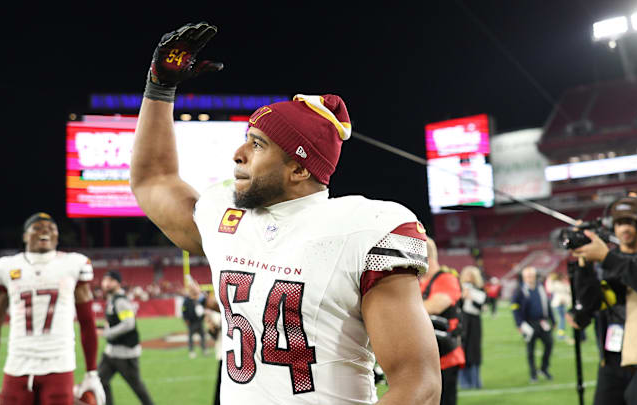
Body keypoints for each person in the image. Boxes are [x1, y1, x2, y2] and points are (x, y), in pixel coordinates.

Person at [129, 22, 441, 404]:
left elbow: (419, 387)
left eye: (257, 145)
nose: (238, 154)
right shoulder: (225, 217)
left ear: (298, 168)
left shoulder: (363, 229)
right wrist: (159, 88)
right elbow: (152, 179)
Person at [0, 212, 106, 405]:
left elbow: (87, 322)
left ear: (57, 236)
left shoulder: (73, 264)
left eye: (50, 228)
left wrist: (92, 372)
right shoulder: (5, 267)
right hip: (18, 364)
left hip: (59, 363)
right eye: (37, 227)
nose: (44, 231)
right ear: (24, 236)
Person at [570, 196, 637, 405]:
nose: (625, 229)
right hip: (613, 358)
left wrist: (606, 258)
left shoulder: (609, 259)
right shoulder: (603, 260)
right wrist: (584, 263)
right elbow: (591, 303)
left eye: (630, 222)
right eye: (620, 222)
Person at [97, 270, 154, 405]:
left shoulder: (121, 301)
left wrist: (106, 333)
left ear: (118, 283)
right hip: (111, 353)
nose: (106, 283)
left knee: (138, 388)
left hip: (125, 354)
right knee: (100, 382)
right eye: (105, 280)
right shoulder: (112, 299)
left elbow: (129, 324)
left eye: (110, 280)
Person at [421, 237, 466, 405]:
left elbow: (435, 306)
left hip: (446, 358)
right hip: (426, 359)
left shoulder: (446, 278)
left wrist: (404, 311)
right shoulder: (420, 283)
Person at [511, 266, 554, 383]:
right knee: (530, 350)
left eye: (532, 275)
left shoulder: (540, 287)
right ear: (524, 277)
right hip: (528, 324)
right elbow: (515, 308)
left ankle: (544, 369)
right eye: (528, 275)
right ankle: (533, 374)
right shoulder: (520, 290)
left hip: (542, 322)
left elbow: (547, 304)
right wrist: (519, 324)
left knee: (549, 344)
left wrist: (553, 320)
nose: (530, 277)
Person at [458, 265, 485, 389]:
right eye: (466, 276)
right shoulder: (459, 289)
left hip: (474, 322)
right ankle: (464, 382)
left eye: (471, 277)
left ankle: (475, 381)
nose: (468, 279)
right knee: (462, 349)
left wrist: (471, 298)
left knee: (474, 350)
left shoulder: (480, 290)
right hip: (463, 321)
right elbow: (457, 305)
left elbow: (482, 307)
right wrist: (463, 298)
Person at [181, 278, 206, 358]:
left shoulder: (199, 299)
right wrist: (186, 319)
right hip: (191, 322)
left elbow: (203, 308)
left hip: (199, 321)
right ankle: (191, 351)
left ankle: (204, 349)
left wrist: (202, 317)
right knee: (191, 337)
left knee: (202, 336)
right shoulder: (187, 300)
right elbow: (184, 311)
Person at [545, 272, 571, 342]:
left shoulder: (562, 283)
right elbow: (550, 289)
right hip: (559, 304)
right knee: (561, 319)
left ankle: (559, 334)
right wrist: (549, 279)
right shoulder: (557, 283)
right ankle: (560, 335)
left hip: (563, 304)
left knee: (561, 319)